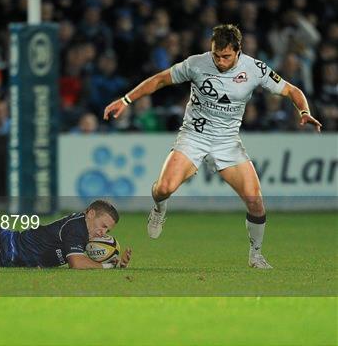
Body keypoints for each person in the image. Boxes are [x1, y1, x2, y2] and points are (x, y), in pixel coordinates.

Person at [103, 24, 322, 269]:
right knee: (164, 188)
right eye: (216, 55)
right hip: (194, 136)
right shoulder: (197, 63)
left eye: (226, 56)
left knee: (256, 202)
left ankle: (256, 255)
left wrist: (304, 111)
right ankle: (159, 208)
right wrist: (125, 100)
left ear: (238, 51)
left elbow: (292, 90)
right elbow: (161, 80)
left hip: (227, 142)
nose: (219, 61)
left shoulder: (255, 69)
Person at [0, 184, 131, 269]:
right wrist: (108, 266)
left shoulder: (82, 230)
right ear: (90, 214)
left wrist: (113, 260)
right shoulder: (77, 228)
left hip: (2, 257)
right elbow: (76, 263)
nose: (103, 233)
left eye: (107, 231)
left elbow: (84, 257)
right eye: (103, 226)